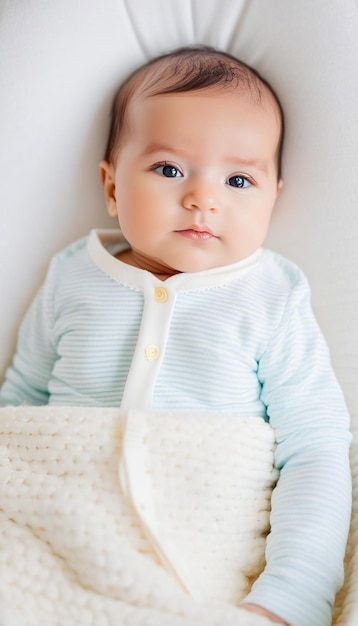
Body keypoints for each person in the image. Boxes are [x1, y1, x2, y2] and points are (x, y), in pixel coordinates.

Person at [0, 46, 351, 626]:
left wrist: (293, 593)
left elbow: (314, 445)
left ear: (273, 199)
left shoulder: (273, 295)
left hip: (205, 549)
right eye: (169, 170)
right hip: (58, 533)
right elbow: (20, 408)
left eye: (239, 179)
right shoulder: (72, 276)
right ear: (111, 187)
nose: (203, 198)